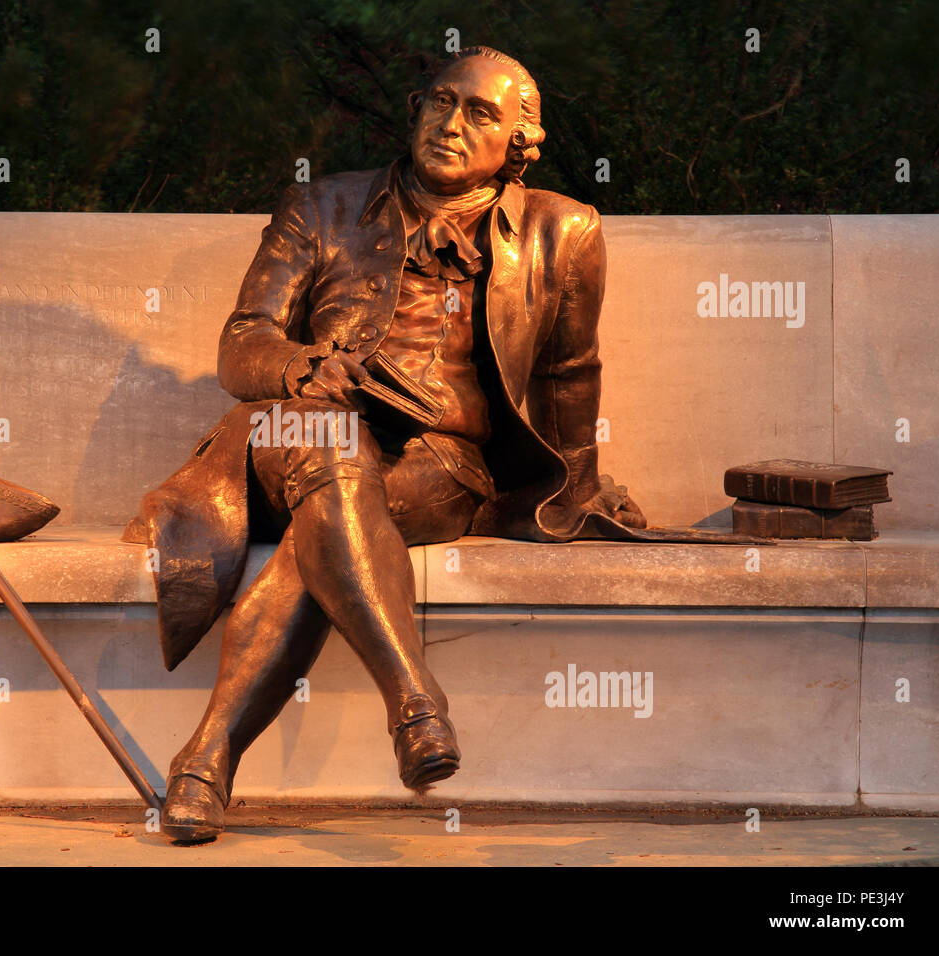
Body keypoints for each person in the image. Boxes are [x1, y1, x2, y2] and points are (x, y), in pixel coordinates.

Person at [124, 46, 646, 843]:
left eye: (481, 113)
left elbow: (572, 375)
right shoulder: (321, 206)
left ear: (519, 143)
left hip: (438, 465)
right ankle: (414, 702)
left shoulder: (563, 230)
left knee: (324, 533)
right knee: (330, 443)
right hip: (288, 435)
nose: (453, 124)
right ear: (414, 109)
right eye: (441, 102)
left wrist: (575, 487)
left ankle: (205, 763)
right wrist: (304, 366)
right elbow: (243, 343)